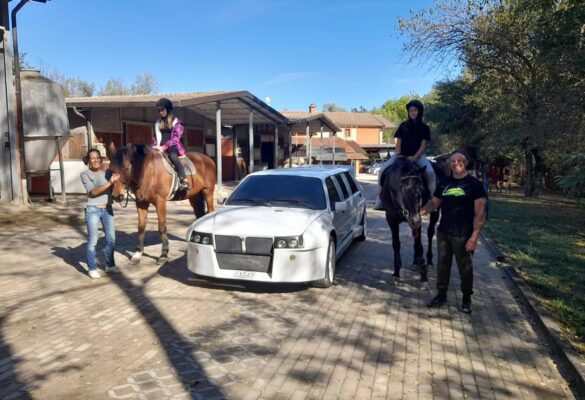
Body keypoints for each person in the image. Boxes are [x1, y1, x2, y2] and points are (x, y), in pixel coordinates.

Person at [421, 150, 487, 313]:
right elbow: (435, 204)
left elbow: (480, 214)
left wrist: (474, 237)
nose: (456, 163)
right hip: (444, 232)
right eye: (453, 161)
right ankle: (441, 295)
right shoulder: (444, 183)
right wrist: (421, 211)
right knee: (442, 266)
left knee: (465, 267)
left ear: (465, 163)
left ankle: (466, 299)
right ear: (449, 165)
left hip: (464, 234)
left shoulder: (474, 185)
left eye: (459, 160)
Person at [374, 99, 435, 209]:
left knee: (430, 173)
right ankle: (380, 198)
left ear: (420, 111)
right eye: (410, 110)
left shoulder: (425, 128)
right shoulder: (403, 126)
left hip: (418, 157)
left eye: (415, 110)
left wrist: (414, 157)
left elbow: (423, 145)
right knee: (382, 169)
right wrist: (399, 156)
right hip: (401, 157)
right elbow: (398, 143)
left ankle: (431, 199)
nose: (412, 112)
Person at [80, 148, 121, 279]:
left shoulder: (108, 172)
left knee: (111, 240)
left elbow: (118, 180)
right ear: (88, 160)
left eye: (98, 157)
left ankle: (110, 265)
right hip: (93, 210)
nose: (95, 160)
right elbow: (92, 192)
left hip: (108, 209)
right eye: (92, 158)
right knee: (92, 241)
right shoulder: (85, 174)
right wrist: (110, 182)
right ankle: (92, 268)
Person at [153, 98, 189, 191]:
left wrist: (164, 147)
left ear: (168, 109)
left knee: (173, 156)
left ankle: (184, 180)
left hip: (173, 146)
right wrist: (155, 145)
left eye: (162, 109)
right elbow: (155, 137)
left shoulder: (177, 122)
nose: (161, 112)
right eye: (159, 110)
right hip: (160, 147)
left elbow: (175, 139)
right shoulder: (158, 123)